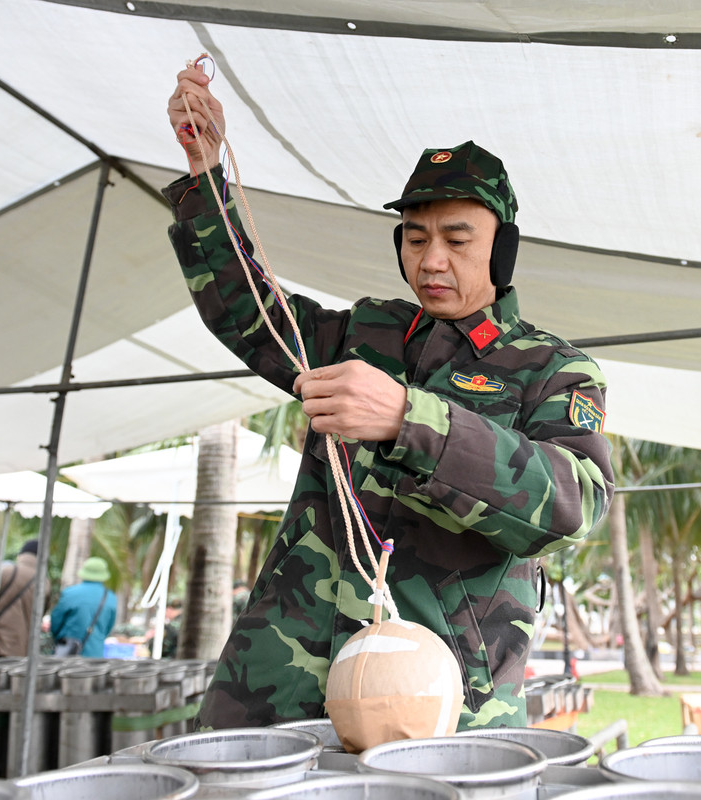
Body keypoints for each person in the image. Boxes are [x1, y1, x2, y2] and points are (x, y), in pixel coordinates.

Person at [164, 65, 614, 730]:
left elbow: (574, 503)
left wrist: (413, 420)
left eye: (457, 240)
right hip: (283, 681)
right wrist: (206, 173)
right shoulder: (361, 333)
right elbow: (252, 317)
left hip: (440, 696)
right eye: (414, 238)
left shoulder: (552, 368)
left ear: (502, 252)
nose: (431, 260)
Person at [49, 557, 116, 658]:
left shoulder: (69, 593)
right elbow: (108, 627)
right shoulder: (111, 597)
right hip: (95, 654)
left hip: (67, 652)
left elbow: (56, 621)